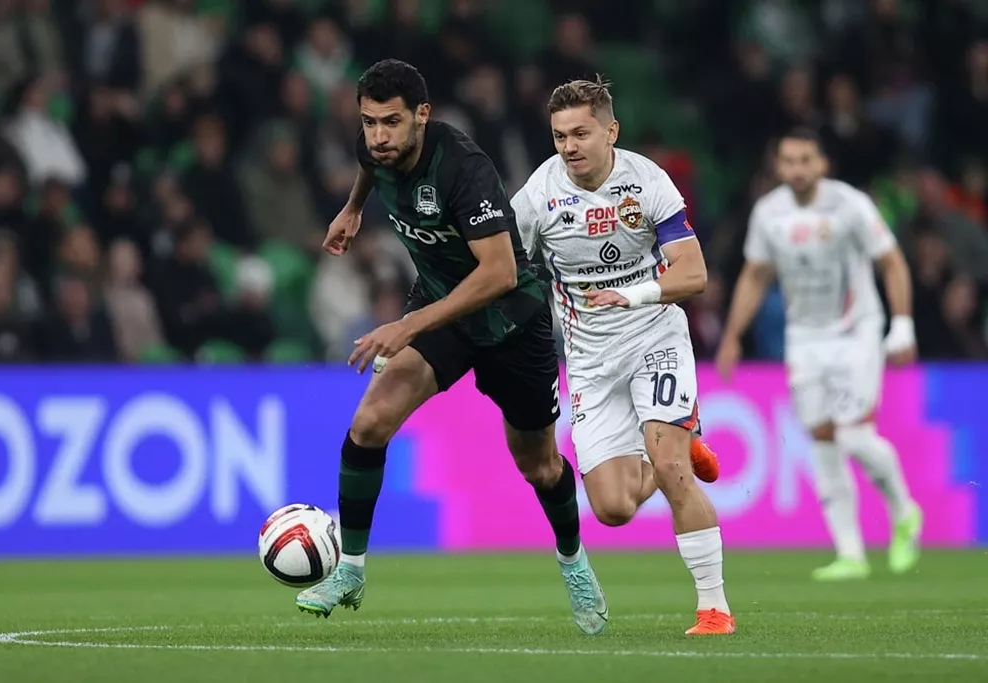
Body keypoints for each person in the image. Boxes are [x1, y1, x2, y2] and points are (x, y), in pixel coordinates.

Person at [294, 59, 608, 635]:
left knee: (538, 465)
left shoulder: (465, 168)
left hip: (511, 322)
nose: (378, 136)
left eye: (391, 123)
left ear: (422, 115)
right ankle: (350, 571)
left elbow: (500, 273)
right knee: (370, 423)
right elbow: (369, 165)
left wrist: (408, 324)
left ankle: (573, 561)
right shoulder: (376, 147)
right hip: (444, 310)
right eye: (368, 123)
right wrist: (353, 208)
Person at [511, 77, 734, 636]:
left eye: (580, 133)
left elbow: (694, 274)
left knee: (670, 469)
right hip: (589, 359)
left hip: (655, 337)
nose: (569, 146)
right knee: (612, 509)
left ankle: (714, 610)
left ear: (611, 131)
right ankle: (683, 441)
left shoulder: (647, 180)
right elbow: (501, 265)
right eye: (559, 136)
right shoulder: (539, 195)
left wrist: (632, 294)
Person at [716, 127, 923, 581]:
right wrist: (732, 335)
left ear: (822, 164)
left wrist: (903, 324)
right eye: (789, 161)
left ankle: (904, 510)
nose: (797, 169)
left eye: (805, 160)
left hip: (855, 331)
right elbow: (756, 274)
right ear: (778, 165)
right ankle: (850, 554)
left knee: (854, 436)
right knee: (824, 441)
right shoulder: (769, 213)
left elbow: (891, 262)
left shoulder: (850, 205)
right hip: (805, 339)